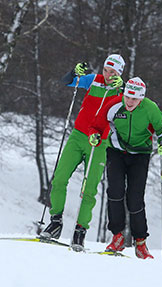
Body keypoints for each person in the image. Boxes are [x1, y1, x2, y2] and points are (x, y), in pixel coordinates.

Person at [40, 54, 125, 252]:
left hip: (100, 142)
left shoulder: (122, 91)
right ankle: (55, 222)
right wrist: (74, 72)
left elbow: (133, 105)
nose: (107, 75)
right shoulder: (93, 80)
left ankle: (80, 230)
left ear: (119, 73)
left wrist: (122, 88)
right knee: (59, 179)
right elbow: (67, 81)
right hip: (78, 136)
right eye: (106, 70)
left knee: (89, 189)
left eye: (113, 72)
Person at [88, 77, 162, 259]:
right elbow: (97, 123)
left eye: (134, 99)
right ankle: (117, 236)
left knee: (135, 198)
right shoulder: (114, 104)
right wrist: (94, 134)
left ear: (141, 99)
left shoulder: (150, 108)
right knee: (115, 192)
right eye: (127, 96)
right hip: (116, 151)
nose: (129, 101)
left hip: (140, 155)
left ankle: (140, 242)